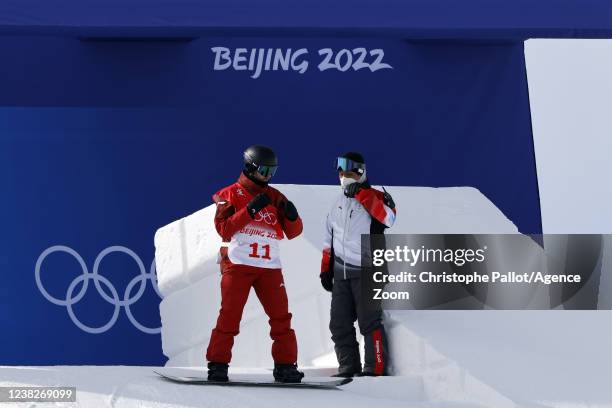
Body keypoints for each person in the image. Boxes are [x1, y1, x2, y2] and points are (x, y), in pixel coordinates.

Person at [206, 145, 305, 383]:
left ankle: (285, 366)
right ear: (250, 167)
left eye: (273, 171)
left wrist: (292, 217)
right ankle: (217, 365)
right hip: (238, 265)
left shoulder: (275, 196)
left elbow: (294, 232)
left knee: (281, 318)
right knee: (230, 315)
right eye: (264, 170)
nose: (268, 176)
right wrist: (249, 210)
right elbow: (223, 228)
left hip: (269, 267)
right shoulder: (229, 194)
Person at [320, 152, 397, 377]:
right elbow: (329, 238)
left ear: (361, 173)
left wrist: (363, 195)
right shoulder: (337, 204)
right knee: (339, 324)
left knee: (368, 322)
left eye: (350, 173)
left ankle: (375, 368)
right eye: (341, 173)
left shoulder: (378, 197)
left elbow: (389, 218)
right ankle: (348, 367)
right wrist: (326, 269)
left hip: (368, 271)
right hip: (341, 272)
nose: (345, 177)